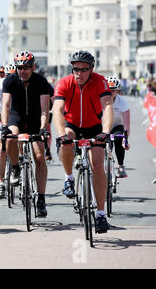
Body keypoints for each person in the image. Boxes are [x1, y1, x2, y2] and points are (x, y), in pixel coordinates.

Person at [53, 50, 114, 234]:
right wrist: (61, 133)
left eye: (83, 69)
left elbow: (108, 106)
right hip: (72, 124)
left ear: (91, 69)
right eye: (75, 69)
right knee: (66, 140)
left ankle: (101, 214)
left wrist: (106, 131)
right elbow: (57, 109)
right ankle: (69, 178)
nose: (79, 73)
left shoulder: (100, 81)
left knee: (97, 164)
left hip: (94, 126)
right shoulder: (64, 82)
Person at [1, 51, 50, 217]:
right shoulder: (10, 80)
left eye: (26, 68)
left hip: (35, 121)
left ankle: (41, 199)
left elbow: (45, 109)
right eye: (19, 67)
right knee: (9, 139)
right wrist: (4, 126)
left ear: (33, 67)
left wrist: (44, 128)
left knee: (39, 157)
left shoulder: (41, 81)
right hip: (17, 118)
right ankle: (15, 168)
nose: (22, 71)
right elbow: (6, 106)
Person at [0, 64, 15, 198]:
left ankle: (20, 170)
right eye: (8, 75)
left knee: (20, 142)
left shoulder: (20, 82)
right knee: (1, 147)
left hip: (16, 116)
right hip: (1, 116)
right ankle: (1, 183)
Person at [106, 76, 131, 178]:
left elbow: (126, 124)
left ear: (117, 91)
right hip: (103, 126)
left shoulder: (123, 102)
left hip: (117, 126)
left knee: (119, 139)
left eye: (113, 90)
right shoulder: (98, 99)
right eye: (108, 90)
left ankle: (120, 166)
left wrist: (125, 140)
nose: (110, 93)